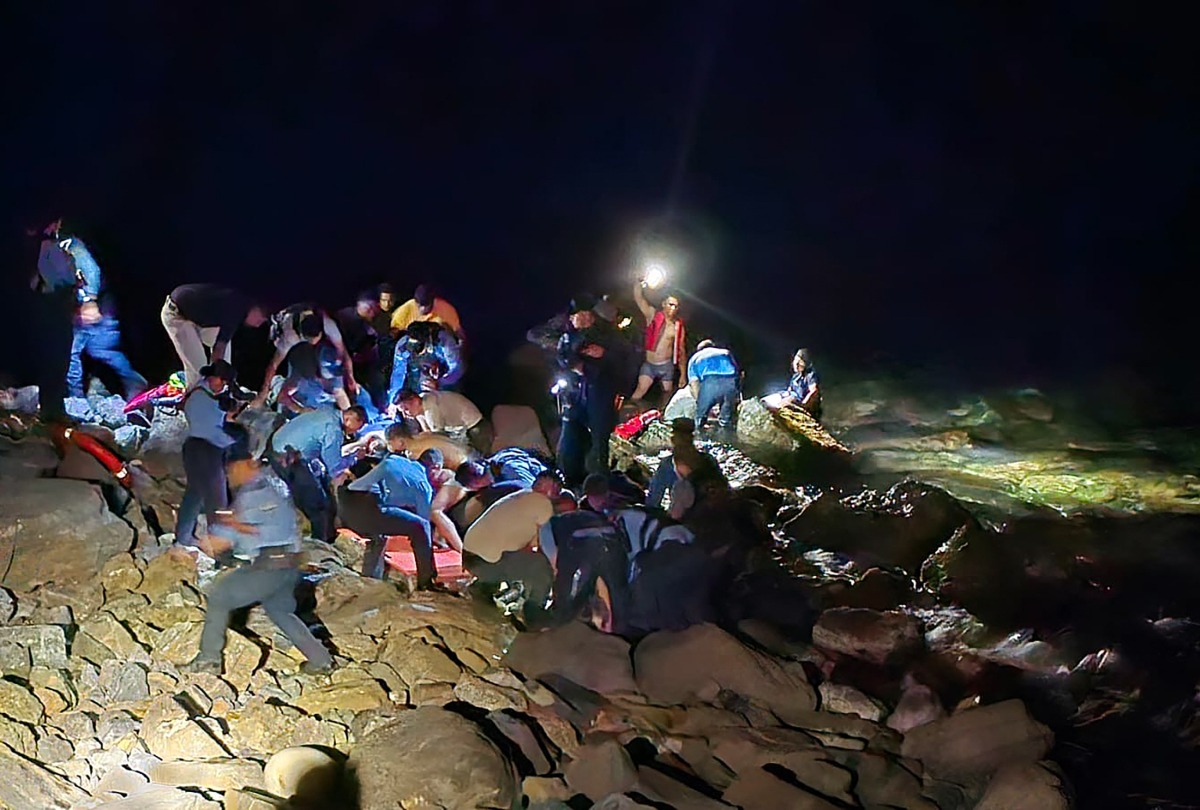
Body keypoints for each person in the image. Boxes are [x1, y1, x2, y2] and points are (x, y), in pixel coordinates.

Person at [185, 424, 333, 675]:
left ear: (245, 465)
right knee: (281, 612)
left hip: (271, 565)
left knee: (219, 598)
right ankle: (322, 660)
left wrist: (207, 539)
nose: (230, 476)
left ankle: (209, 660)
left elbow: (223, 540)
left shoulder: (254, 493)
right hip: (290, 565)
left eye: (231, 470)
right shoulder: (274, 485)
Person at [341, 423, 441, 588]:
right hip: (367, 513)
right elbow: (423, 525)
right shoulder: (425, 487)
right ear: (435, 468)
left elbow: (356, 487)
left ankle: (370, 579)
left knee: (380, 531)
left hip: (347, 507)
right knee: (420, 527)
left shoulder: (394, 461)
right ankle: (427, 581)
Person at [62, 232, 147, 400]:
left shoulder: (71, 245)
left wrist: (89, 301)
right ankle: (135, 383)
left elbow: (92, 271)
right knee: (101, 350)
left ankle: (75, 401)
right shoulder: (65, 246)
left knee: (74, 353)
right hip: (96, 307)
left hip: (94, 308)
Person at [555, 295, 622, 487]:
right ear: (571, 318)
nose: (583, 319)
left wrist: (604, 354)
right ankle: (570, 476)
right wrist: (578, 366)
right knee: (571, 436)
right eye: (579, 316)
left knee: (600, 439)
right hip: (574, 396)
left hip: (599, 395)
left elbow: (621, 359)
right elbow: (564, 360)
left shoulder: (606, 336)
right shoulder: (566, 338)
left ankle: (600, 481)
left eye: (587, 315)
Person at [175, 360, 240, 546]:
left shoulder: (202, 393)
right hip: (206, 449)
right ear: (214, 378)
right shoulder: (202, 398)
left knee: (194, 494)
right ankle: (222, 550)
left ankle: (183, 537)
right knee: (218, 499)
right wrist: (235, 441)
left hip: (194, 449)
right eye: (223, 381)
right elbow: (212, 431)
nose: (224, 385)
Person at [28, 218, 82, 424]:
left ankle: (52, 409)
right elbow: (59, 278)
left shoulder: (43, 247)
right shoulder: (48, 247)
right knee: (56, 360)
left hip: (52, 307)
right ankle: (52, 412)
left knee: (56, 360)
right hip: (55, 308)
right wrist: (73, 279)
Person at [162, 284, 267, 389]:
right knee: (199, 369)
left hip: (197, 318)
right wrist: (216, 374)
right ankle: (197, 396)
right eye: (260, 319)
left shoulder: (240, 306)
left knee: (224, 357)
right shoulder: (234, 311)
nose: (258, 325)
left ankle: (225, 389)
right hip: (177, 315)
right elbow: (218, 350)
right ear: (255, 308)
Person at [253, 304, 357, 409]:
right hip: (293, 339)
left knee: (335, 373)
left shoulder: (328, 325)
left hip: (319, 343)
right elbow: (274, 365)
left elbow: (343, 353)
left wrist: (350, 377)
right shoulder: (290, 337)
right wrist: (263, 393)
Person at [269, 404, 346, 541]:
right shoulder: (334, 430)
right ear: (352, 420)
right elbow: (333, 466)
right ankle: (321, 543)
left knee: (318, 482)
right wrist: (354, 457)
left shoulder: (326, 410)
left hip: (277, 448)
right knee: (318, 505)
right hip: (290, 460)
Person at [631, 281, 687, 407]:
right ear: (664, 304)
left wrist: (683, 374)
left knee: (667, 396)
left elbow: (681, 350)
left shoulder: (677, 326)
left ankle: (663, 419)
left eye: (676, 306)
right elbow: (639, 299)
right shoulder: (653, 315)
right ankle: (628, 417)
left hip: (666, 365)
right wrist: (639, 283)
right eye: (671, 305)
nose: (673, 308)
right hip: (650, 363)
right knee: (639, 392)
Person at [335, 290, 386, 410]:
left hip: (361, 362)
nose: (375, 314)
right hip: (340, 361)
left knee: (377, 378)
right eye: (374, 310)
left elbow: (373, 344)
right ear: (369, 308)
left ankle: (381, 407)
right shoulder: (344, 318)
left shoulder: (369, 325)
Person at [395, 389, 490, 452]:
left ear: (415, 400)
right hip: (459, 431)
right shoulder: (420, 404)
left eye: (406, 409)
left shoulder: (431, 408)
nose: (405, 414)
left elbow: (437, 437)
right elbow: (427, 431)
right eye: (402, 411)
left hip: (475, 427)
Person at [687, 339, 741, 435]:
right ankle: (726, 439)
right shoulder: (725, 352)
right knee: (726, 421)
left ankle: (698, 440)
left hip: (710, 381)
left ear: (699, 350)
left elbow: (694, 383)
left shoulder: (695, 358)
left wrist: (700, 403)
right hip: (730, 381)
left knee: (700, 419)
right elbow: (737, 373)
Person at [390, 283, 463, 338]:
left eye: (426, 305)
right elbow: (393, 331)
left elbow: (459, 334)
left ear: (432, 301)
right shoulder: (405, 309)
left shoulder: (446, 309)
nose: (423, 309)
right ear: (415, 302)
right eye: (419, 305)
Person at [777, 347, 822, 421]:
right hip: (794, 399)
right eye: (795, 361)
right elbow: (790, 389)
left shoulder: (810, 375)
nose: (796, 364)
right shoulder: (796, 376)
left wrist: (804, 405)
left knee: (785, 403)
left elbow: (814, 391)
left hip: (803, 404)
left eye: (800, 362)